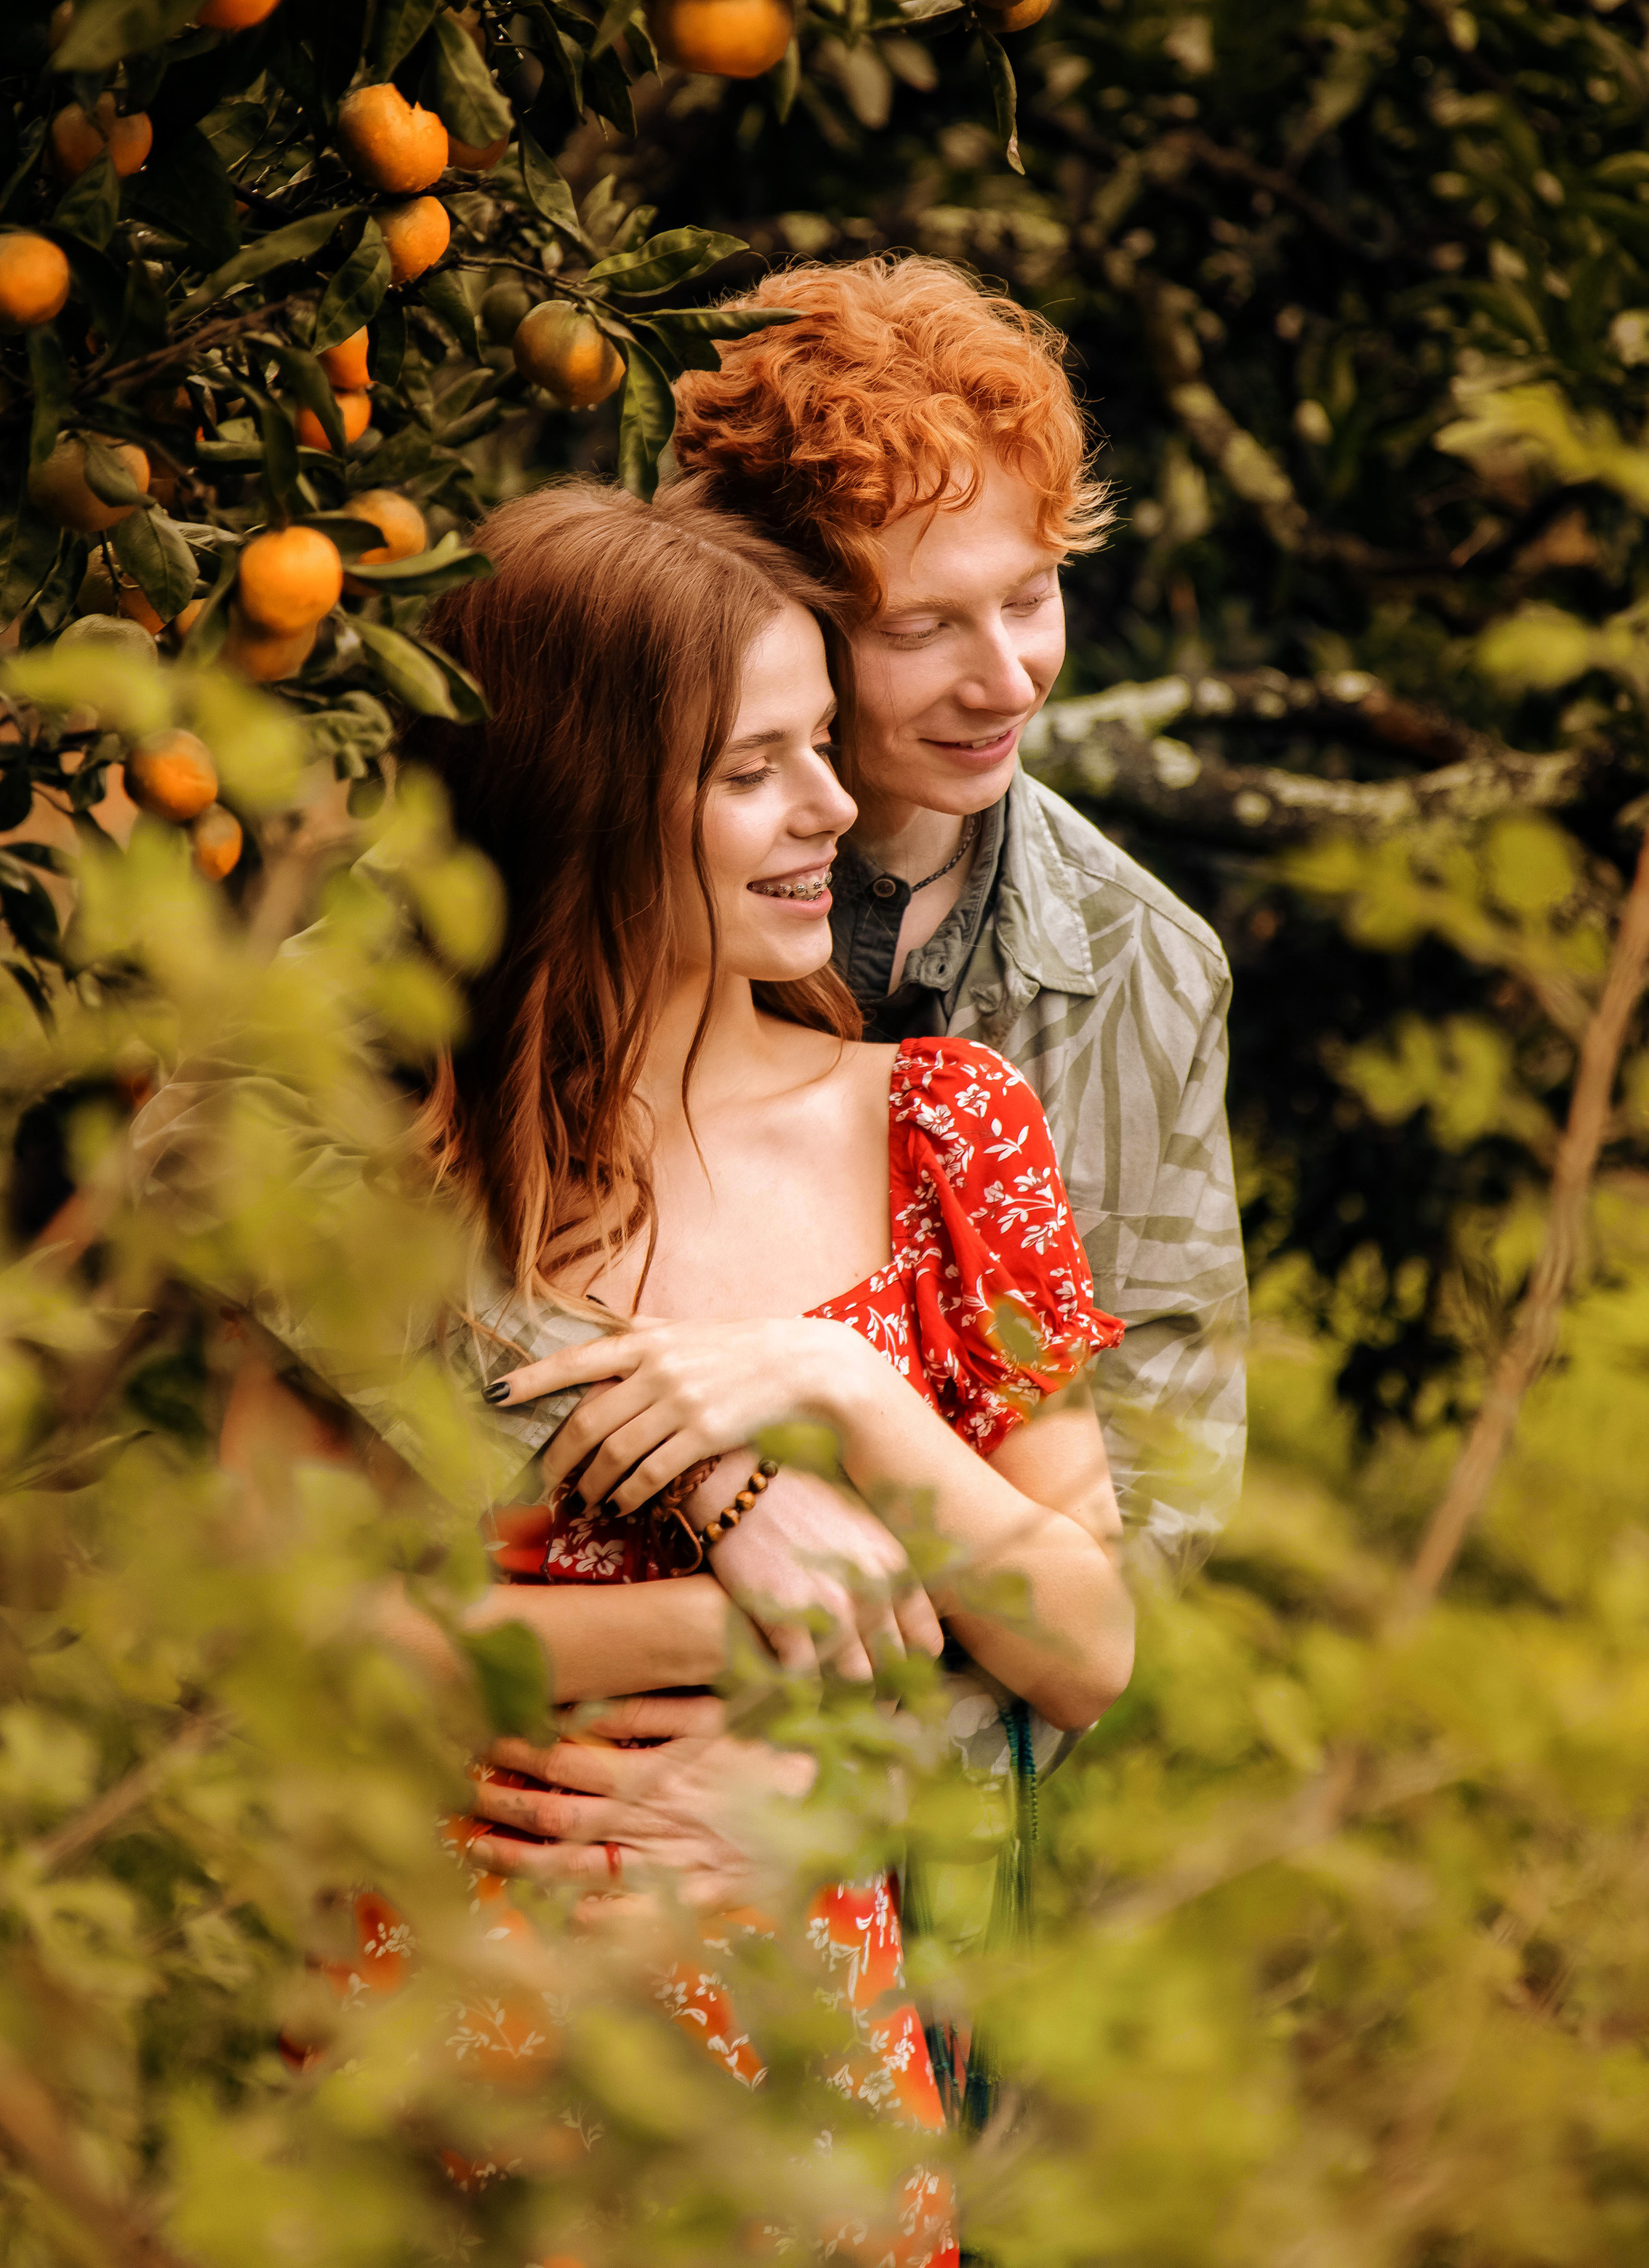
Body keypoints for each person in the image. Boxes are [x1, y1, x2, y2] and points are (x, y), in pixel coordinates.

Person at [397, 478, 1131, 2217]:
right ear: (570, 806)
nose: (828, 805)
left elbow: (1088, 1644)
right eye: (749, 770)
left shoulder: (943, 1136)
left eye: (819, 744)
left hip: (812, 2122)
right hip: (438, 2083)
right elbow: (300, 1641)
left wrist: (850, 1394)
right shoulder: (379, 1183)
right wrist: (747, 1628)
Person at [465, 255, 1248, 1870]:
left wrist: (839, 1777)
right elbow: (286, 1182)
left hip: (912, 1862)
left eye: (1028, 596)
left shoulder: (1134, 975)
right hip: (518, 1823)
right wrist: (731, 1494)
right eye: (921, 627)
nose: (1009, 675)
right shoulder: (519, 887)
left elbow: (1144, 1531)